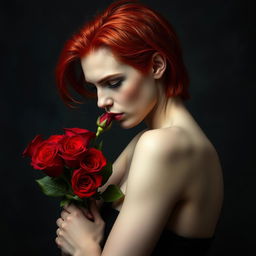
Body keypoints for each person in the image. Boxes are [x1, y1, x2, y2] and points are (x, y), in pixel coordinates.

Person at [54, 0, 224, 255]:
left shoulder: (164, 147)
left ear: (156, 66)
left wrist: (84, 248)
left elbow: (80, 231)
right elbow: (80, 217)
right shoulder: (149, 141)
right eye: (95, 87)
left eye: (114, 82)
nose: (101, 101)